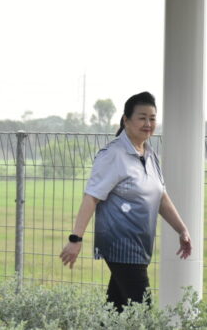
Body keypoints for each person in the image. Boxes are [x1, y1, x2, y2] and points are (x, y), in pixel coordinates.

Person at [59, 91, 192, 312]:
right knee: (142, 311)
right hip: (120, 246)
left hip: (139, 246)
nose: (148, 124)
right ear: (126, 120)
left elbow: (160, 196)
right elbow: (91, 197)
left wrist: (182, 229)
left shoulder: (150, 155)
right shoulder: (113, 154)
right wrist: (76, 239)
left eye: (152, 118)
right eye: (142, 117)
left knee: (117, 311)